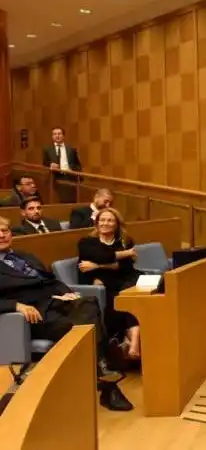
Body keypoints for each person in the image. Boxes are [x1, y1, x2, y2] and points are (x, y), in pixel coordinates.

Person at [0, 216, 133, 411]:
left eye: (5, 231)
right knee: (88, 325)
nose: (2, 235)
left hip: (55, 302)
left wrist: (65, 293)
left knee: (89, 303)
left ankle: (103, 372)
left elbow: (50, 279)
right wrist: (16, 305)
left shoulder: (24, 255)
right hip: (33, 315)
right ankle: (107, 380)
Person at [77, 207, 142, 360]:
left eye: (110, 220)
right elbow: (101, 254)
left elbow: (124, 267)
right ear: (97, 223)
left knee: (135, 296)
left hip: (124, 280)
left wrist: (97, 265)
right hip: (101, 286)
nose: (105, 223)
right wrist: (125, 254)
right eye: (102, 220)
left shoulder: (125, 241)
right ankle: (134, 342)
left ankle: (132, 341)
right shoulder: (86, 242)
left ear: (117, 224)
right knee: (122, 300)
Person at [42, 127, 82, 203]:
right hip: (54, 178)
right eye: (54, 134)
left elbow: (78, 165)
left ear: (63, 136)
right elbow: (44, 163)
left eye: (59, 134)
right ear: (52, 136)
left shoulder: (71, 149)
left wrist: (73, 171)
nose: (57, 136)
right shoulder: (47, 149)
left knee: (71, 200)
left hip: (69, 177)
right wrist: (50, 164)